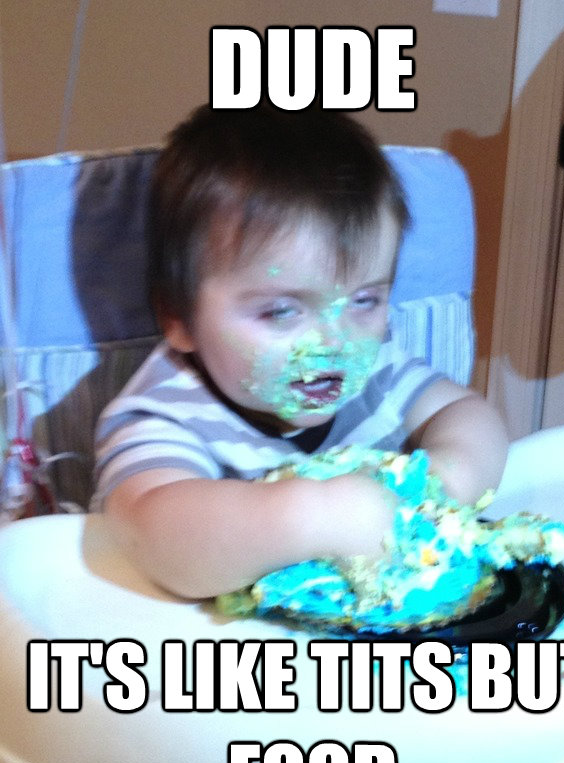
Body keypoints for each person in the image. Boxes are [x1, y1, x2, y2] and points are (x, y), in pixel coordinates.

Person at [93, 104, 509, 599]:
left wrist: (448, 478)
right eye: (281, 311)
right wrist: (314, 517)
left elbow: (466, 413)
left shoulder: (374, 370)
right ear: (178, 319)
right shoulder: (163, 417)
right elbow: (150, 533)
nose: (334, 343)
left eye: (363, 300)